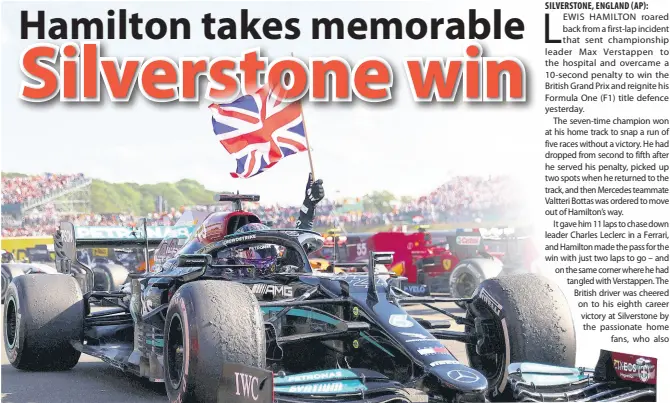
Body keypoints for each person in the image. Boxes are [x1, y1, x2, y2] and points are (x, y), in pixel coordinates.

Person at [215, 174, 325, 276]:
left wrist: (309, 205)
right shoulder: (223, 274)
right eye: (253, 254)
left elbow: (299, 241)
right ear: (236, 255)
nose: (262, 260)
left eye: (265, 252)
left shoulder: (280, 269)